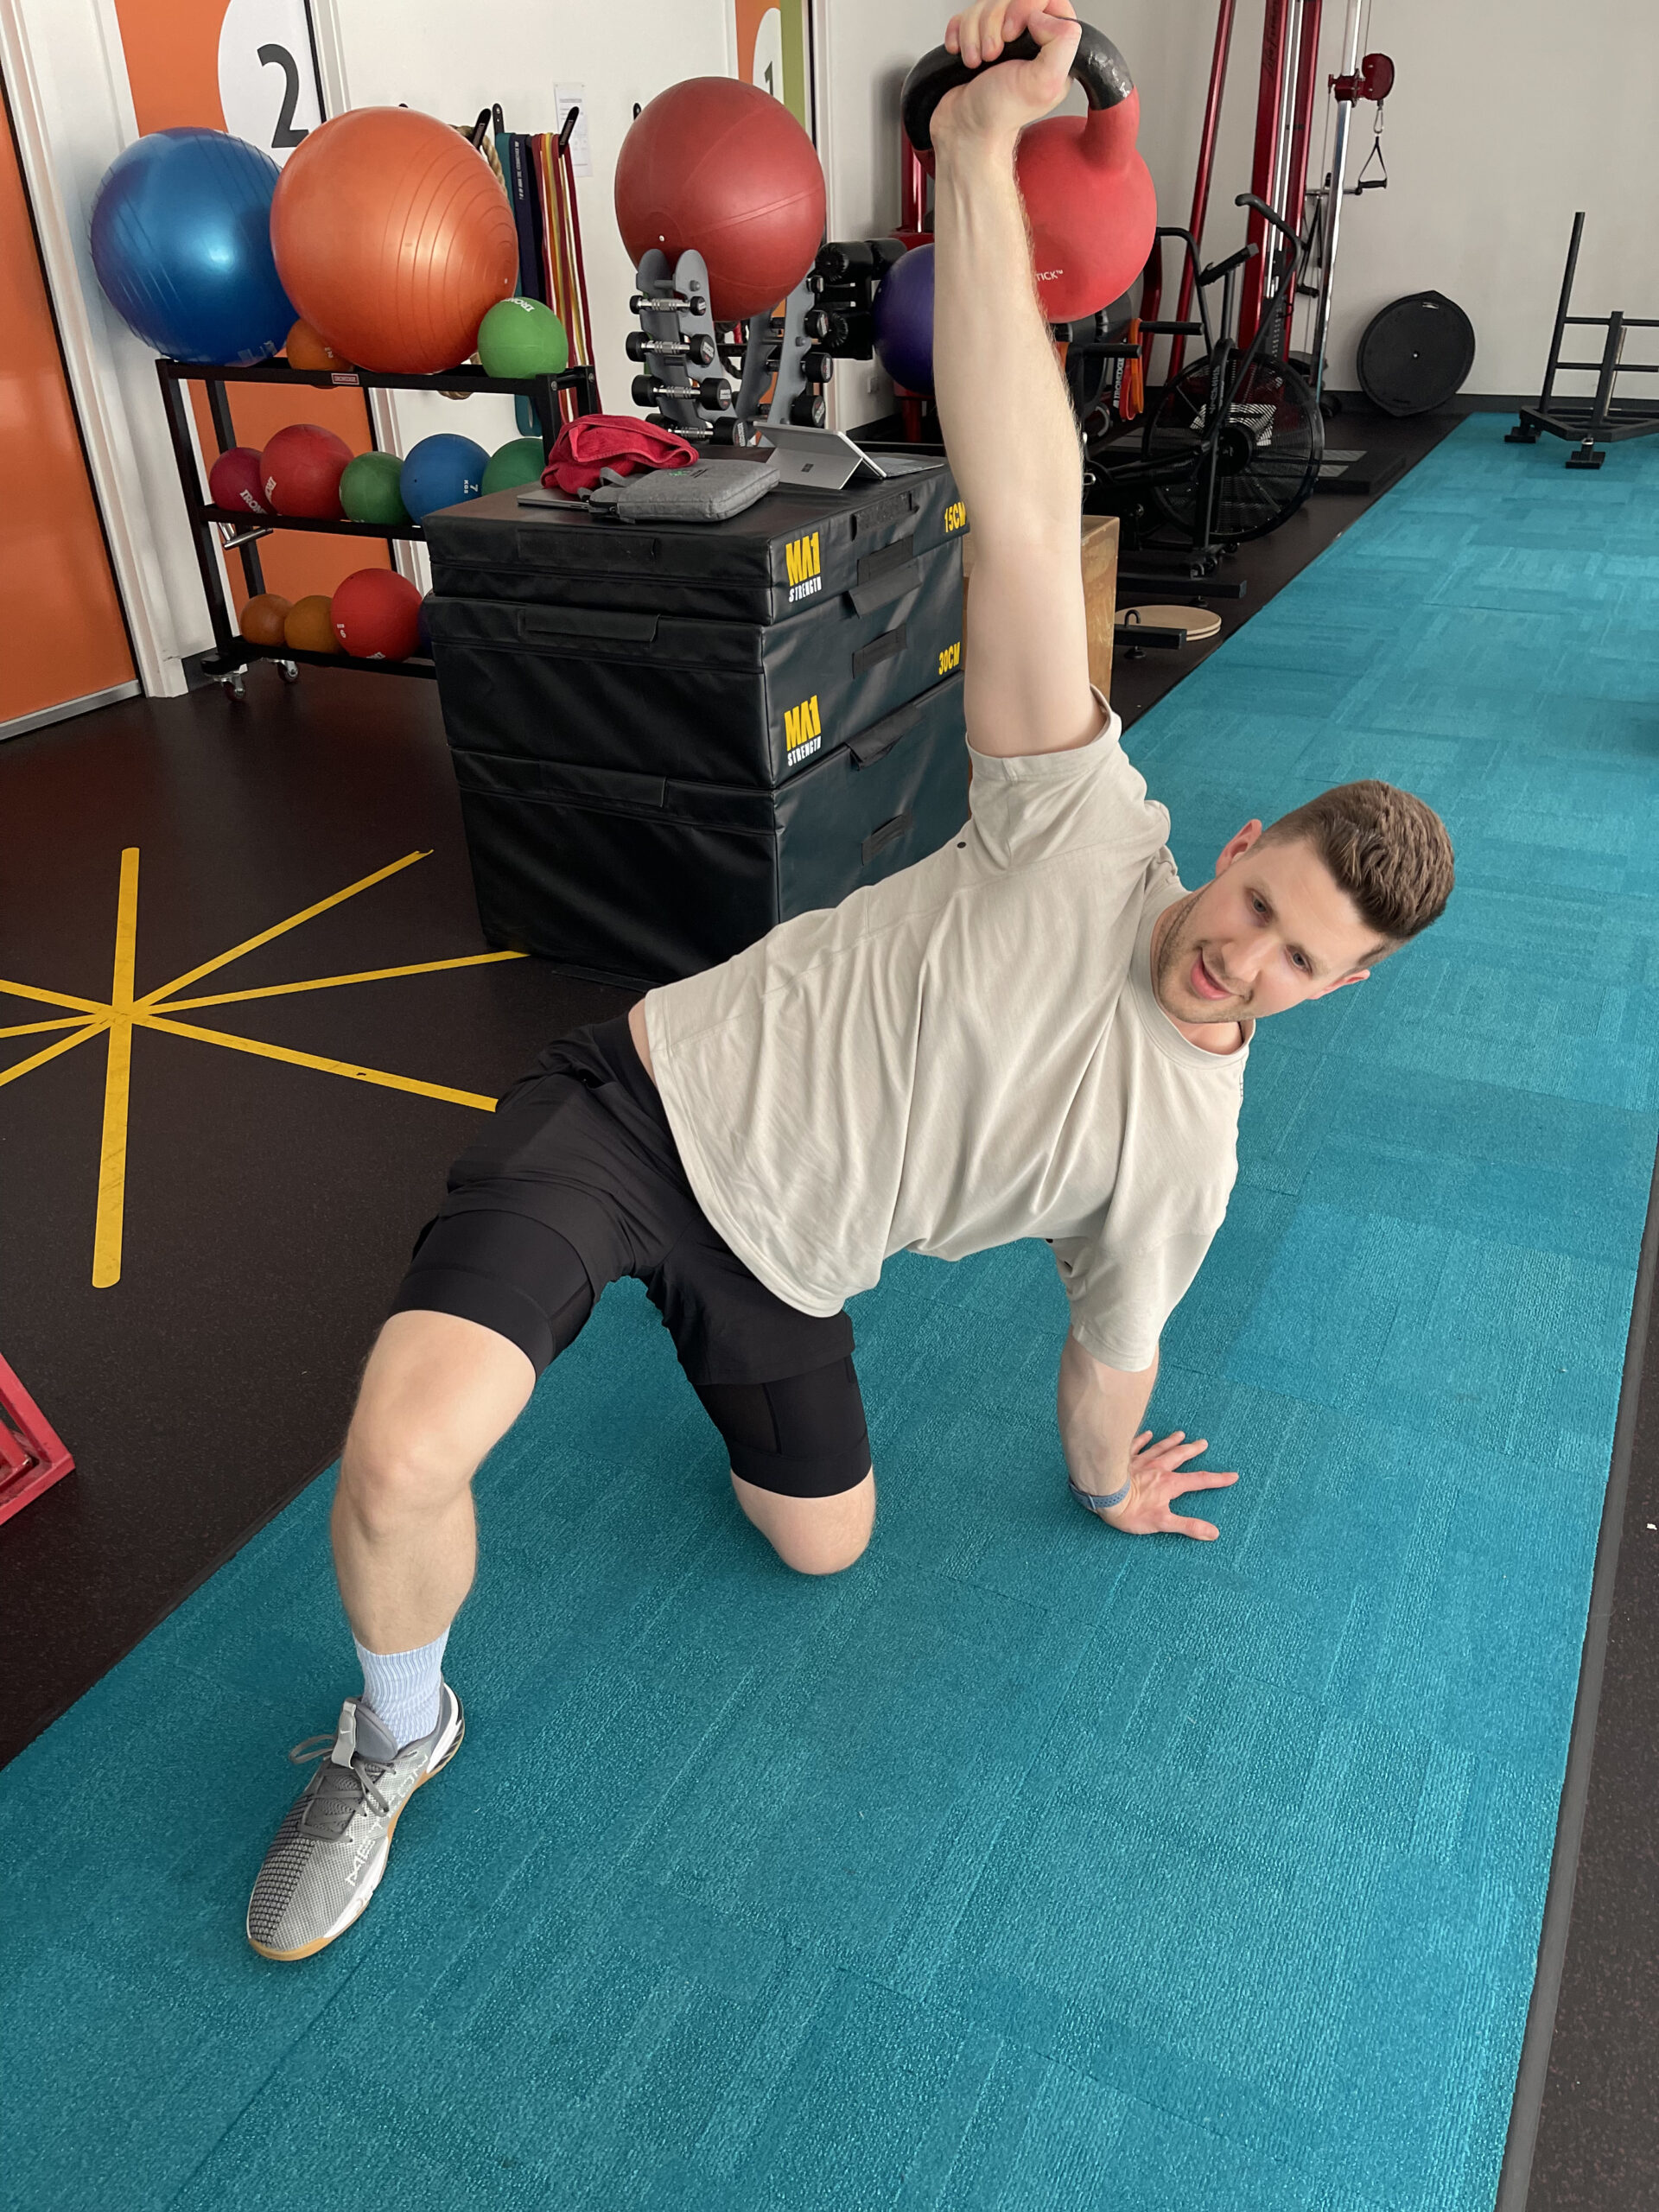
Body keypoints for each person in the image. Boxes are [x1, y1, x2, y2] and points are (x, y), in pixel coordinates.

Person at [245, 0, 1455, 1962]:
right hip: (645, 1108)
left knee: (827, 1546)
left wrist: (1106, 1479)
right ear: (1243, 842)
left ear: (1335, 991)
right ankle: (395, 1730)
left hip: (793, 1259)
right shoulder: (1083, 815)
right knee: (405, 1438)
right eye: (1267, 901)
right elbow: (1012, 451)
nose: (1252, 954)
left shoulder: (1186, 1161)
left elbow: (1109, 1350)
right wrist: (977, 163)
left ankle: (673, 1341)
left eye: (1303, 966)